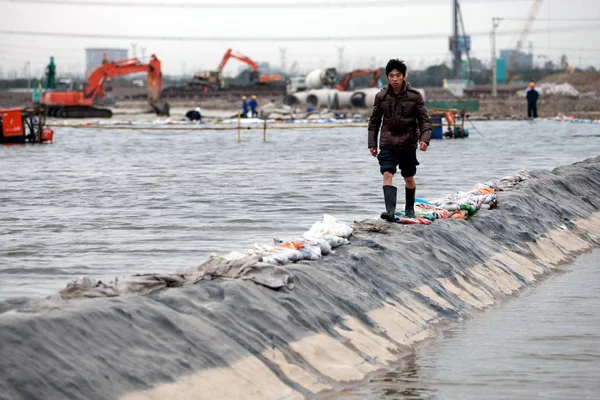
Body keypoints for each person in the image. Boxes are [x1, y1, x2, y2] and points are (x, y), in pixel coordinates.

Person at [368, 59, 432, 220]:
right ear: (387, 77)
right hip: (387, 142)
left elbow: (424, 120)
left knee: (408, 176)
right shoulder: (381, 96)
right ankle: (390, 211)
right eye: (391, 75)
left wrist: (424, 139)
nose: (395, 79)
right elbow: (374, 122)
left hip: (408, 143)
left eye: (398, 75)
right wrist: (372, 144)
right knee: (387, 172)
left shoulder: (415, 96)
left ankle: (409, 208)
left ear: (404, 76)